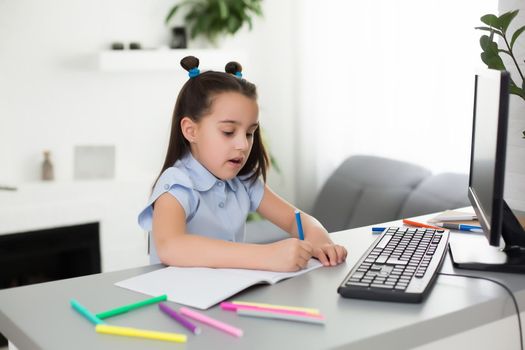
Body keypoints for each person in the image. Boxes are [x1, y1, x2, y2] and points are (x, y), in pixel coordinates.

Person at [138, 56, 347, 272]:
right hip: (177, 301)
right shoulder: (176, 184)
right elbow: (171, 247)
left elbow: (298, 220)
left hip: (225, 298)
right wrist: (266, 255)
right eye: (228, 132)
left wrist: (320, 241)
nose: (243, 144)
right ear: (191, 131)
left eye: (249, 133)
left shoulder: (243, 182)